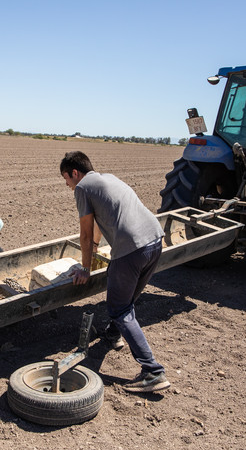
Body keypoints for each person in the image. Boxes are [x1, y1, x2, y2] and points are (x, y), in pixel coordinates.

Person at [60, 151, 170, 393]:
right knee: (127, 300)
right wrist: (97, 248)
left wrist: (85, 268)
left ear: (74, 173)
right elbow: (102, 221)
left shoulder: (82, 188)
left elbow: (86, 233)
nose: (67, 185)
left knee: (119, 307)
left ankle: (153, 371)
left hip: (131, 250)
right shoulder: (108, 179)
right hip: (154, 241)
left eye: (65, 179)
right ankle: (112, 335)